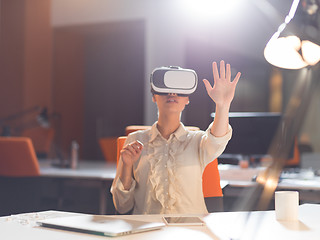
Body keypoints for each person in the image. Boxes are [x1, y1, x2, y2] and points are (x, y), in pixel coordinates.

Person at [111, 60, 241, 214]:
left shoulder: (198, 141)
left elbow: (218, 138)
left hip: (190, 230)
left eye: (179, 91)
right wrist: (126, 166)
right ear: (154, 96)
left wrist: (222, 105)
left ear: (187, 99)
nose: (172, 94)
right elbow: (121, 206)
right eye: (165, 90)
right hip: (147, 231)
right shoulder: (134, 141)